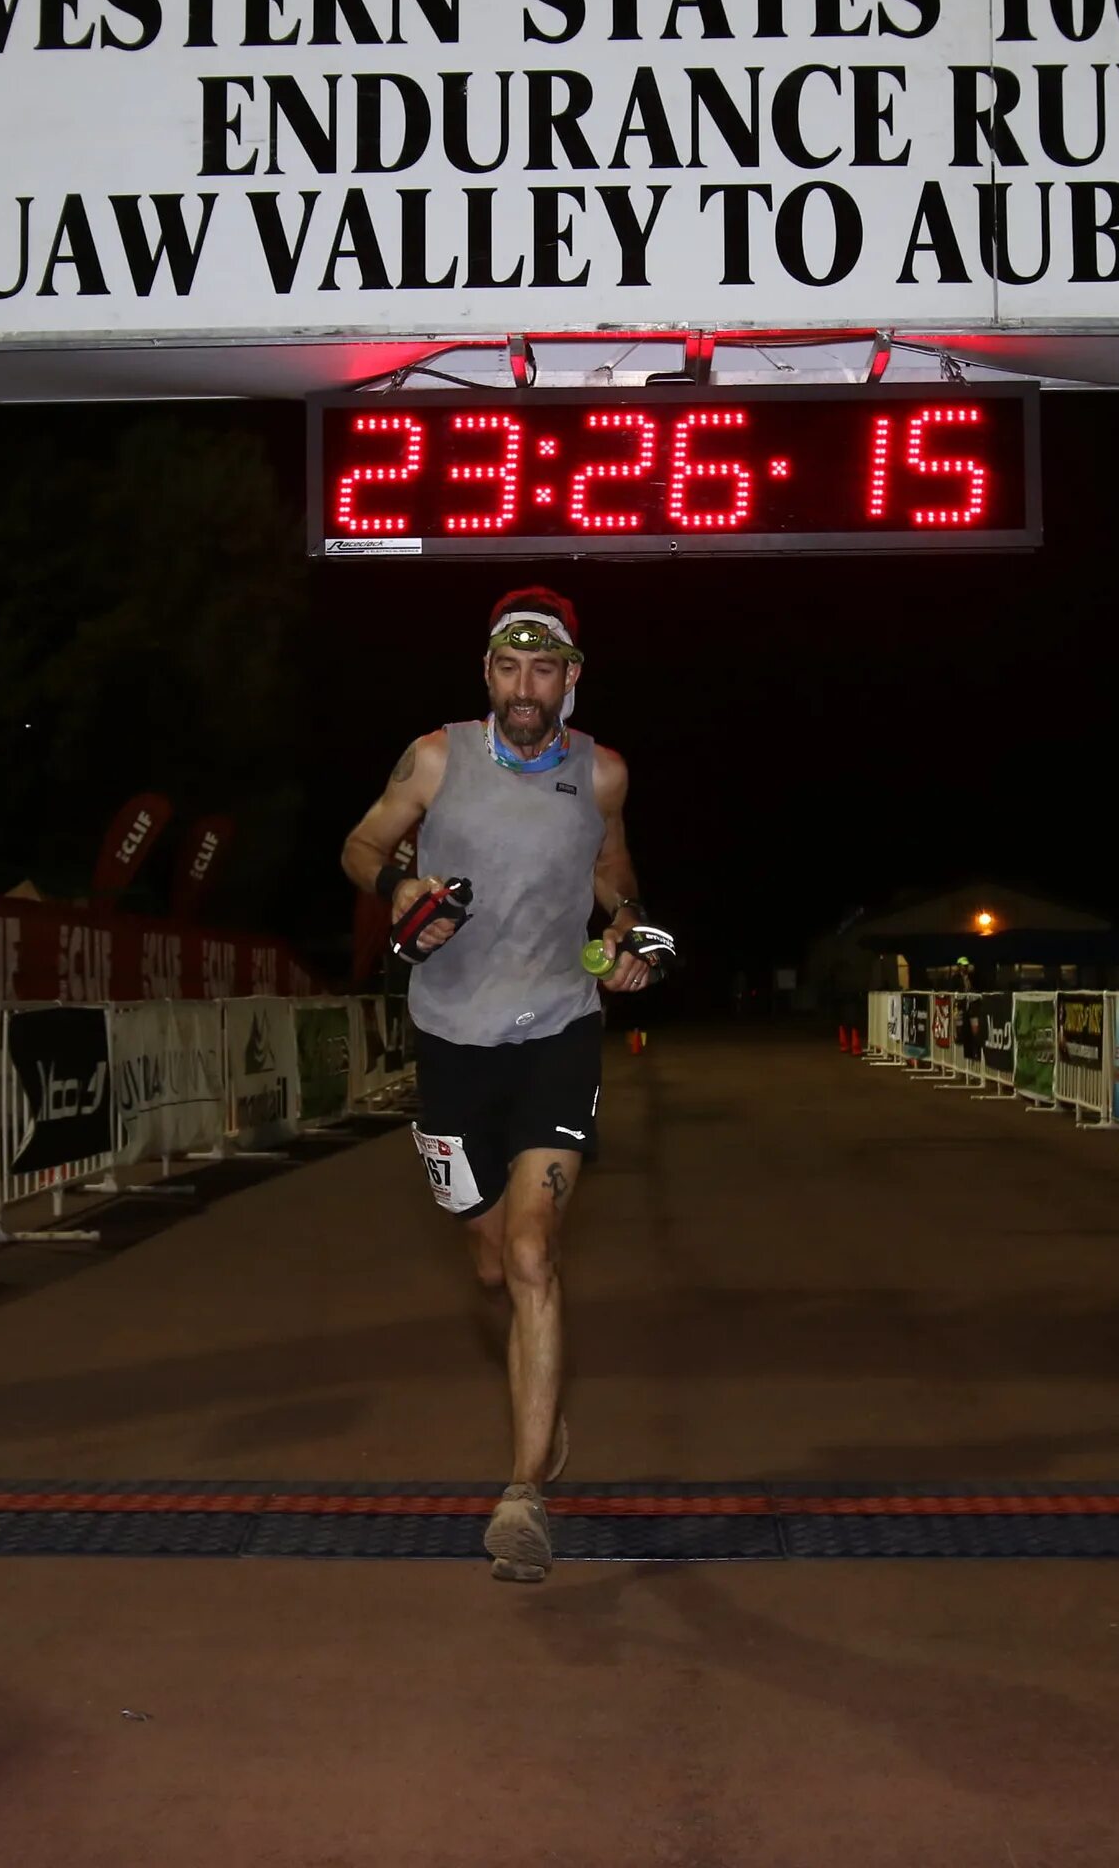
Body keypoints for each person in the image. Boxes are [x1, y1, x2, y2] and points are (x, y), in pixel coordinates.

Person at [339, 587, 655, 1584]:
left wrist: (628, 928)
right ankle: (536, 1391)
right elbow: (360, 843)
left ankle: (523, 1491)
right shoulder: (435, 756)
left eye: (546, 669)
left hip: (558, 1028)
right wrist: (397, 888)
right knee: (488, 1264)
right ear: (489, 674)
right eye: (510, 669)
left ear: (572, 676)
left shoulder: (601, 773)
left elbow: (615, 872)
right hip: (448, 1040)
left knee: (531, 1249)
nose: (528, 688)